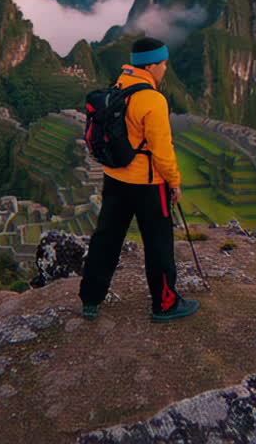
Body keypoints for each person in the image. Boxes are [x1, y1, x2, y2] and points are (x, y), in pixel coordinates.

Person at [79, 37, 199, 322]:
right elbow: (162, 149)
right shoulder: (153, 100)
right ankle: (165, 304)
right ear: (154, 65)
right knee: (158, 244)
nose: (165, 69)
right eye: (164, 64)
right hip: (147, 184)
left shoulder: (118, 85)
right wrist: (175, 181)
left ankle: (91, 299)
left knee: (106, 239)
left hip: (114, 178)